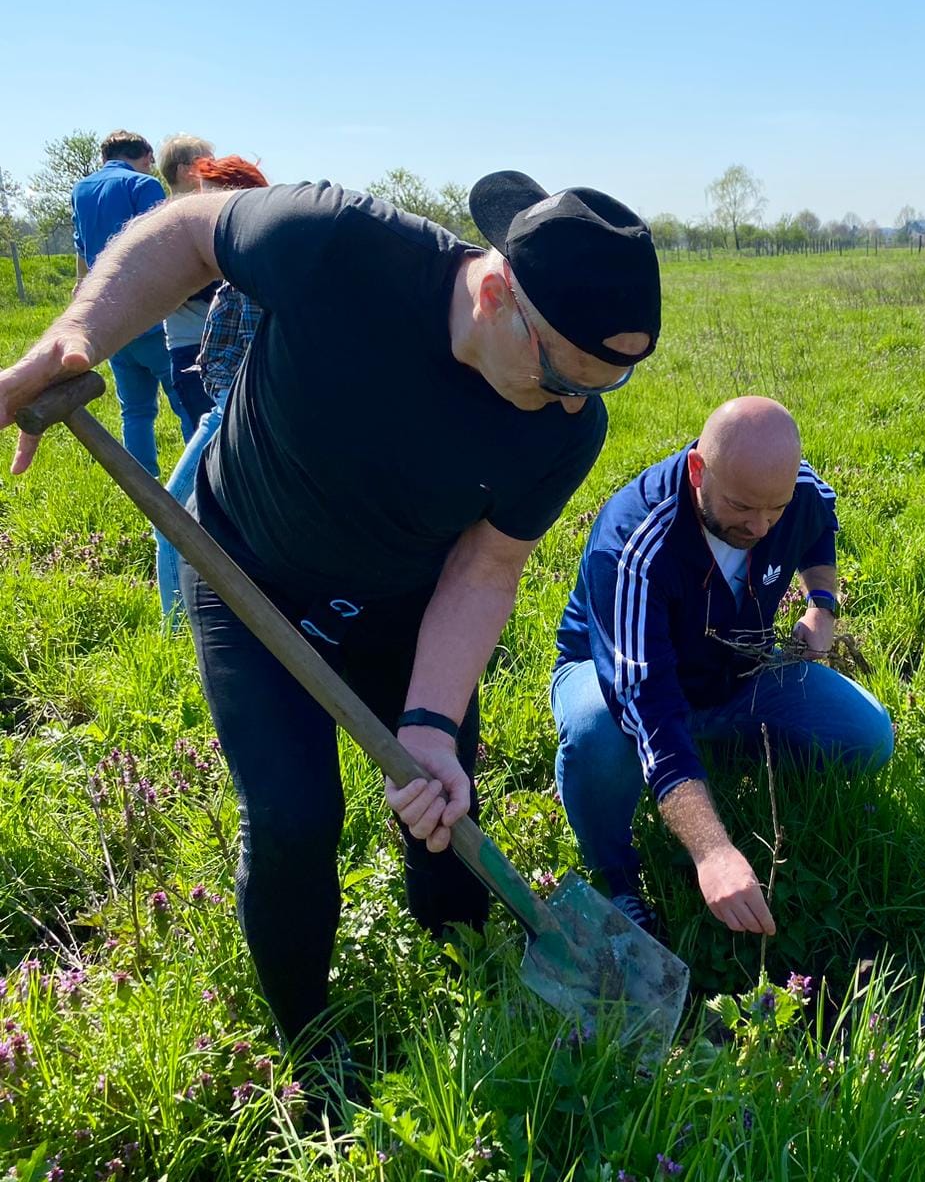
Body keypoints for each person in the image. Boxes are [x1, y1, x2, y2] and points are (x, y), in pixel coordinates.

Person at [0, 170, 660, 1099]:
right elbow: (187, 230)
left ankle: (464, 967)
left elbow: (485, 567)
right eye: (559, 375)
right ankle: (309, 1052)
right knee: (293, 818)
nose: (567, 406)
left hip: (406, 606)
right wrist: (77, 334)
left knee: (442, 802)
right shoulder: (340, 246)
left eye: (598, 387)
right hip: (248, 578)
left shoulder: (568, 427)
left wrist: (431, 720)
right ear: (497, 291)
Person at [552, 396, 894, 938]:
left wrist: (821, 605)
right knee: (601, 730)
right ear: (697, 470)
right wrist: (712, 850)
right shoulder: (636, 542)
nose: (760, 526)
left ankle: (712, 762)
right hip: (619, 677)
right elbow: (646, 704)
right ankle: (615, 875)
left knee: (867, 735)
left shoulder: (789, 490)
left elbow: (818, 521)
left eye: (774, 509)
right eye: (741, 508)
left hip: (739, 673)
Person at [153, 155, 269, 620]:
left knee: (172, 520)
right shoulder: (236, 273)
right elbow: (215, 353)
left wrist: (233, 397)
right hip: (231, 407)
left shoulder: (256, 274)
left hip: (243, 414)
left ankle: (178, 630)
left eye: (206, 202)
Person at [69, 130, 184, 477]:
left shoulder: (81, 189)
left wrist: (83, 291)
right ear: (146, 156)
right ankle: (196, 486)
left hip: (111, 321)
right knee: (188, 405)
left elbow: (81, 250)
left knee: (134, 411)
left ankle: (145, 489)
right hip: (151, 315)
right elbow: (162, 244)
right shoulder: (142, 185)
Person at [155, 134, 219, 433]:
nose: (215, 170)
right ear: (184, 171)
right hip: (192, 347)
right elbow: (169, 288)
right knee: (207, 443)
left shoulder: (208, 217)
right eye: (208, 163)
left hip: (223, 344)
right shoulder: (163, 225)